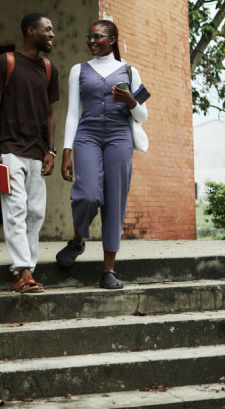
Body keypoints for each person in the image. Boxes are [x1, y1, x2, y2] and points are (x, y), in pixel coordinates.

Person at [55, 20, 148, 290]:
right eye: (89, 36)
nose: (92, 40)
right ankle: (77, 240)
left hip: (120, 138)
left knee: (114, 202)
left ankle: (108, 270)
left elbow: (142, 115)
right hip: (88, 136)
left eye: (98, 36)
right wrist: (66, 150)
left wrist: (130, 101)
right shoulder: (78, 70)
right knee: (87, 193)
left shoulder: (130, 70)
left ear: (113, 39)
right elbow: (73, 112)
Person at [0, 13, 60, 294]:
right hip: (9, 150)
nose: (52, 34)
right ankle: (23, 271)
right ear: (31, 31)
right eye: (47, 29)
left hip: (37, 152)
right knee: (16, 210)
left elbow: (50, 114)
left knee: (36, 213)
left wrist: (50, 150)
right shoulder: (5, 62)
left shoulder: (50, 69)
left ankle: (28, 268)